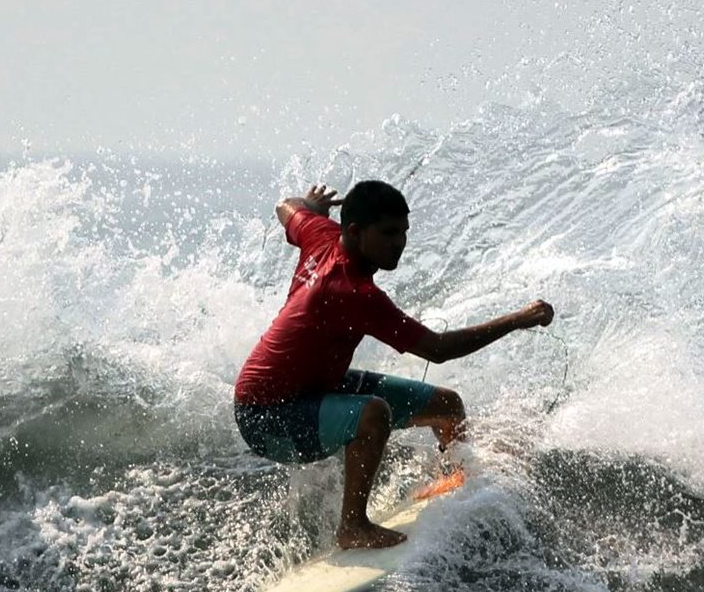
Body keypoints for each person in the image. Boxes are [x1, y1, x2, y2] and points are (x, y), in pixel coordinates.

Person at [234, 180, 554, 549]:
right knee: (373, 414)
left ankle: (453, 479)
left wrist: (310, 205)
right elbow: (438, 349)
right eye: (388, 233)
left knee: (447, 406)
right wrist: (518, 319)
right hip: (266, 414)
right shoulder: (354, 292)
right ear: (355, 232)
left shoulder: (320, 232)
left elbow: (285, 206)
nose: (399, 243)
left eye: (403, 232)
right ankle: (352, 527)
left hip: (315, 386)